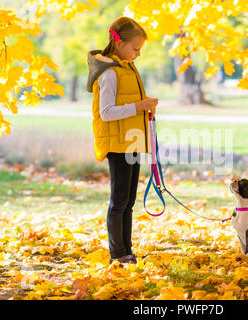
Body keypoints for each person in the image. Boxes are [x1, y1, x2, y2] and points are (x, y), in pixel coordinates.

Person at [86, 16, 158, 265]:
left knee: (129, 201)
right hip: (118, 145)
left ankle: (127, 251)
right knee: (119, 201)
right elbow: (107, 113)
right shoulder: (109, 73)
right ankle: (118, 254)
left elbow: (126, 106)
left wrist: (144, 108)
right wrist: (139, 105)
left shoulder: (127, 67)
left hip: (132, 142)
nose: (138, 54)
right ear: (119, 44)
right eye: (135, 48)